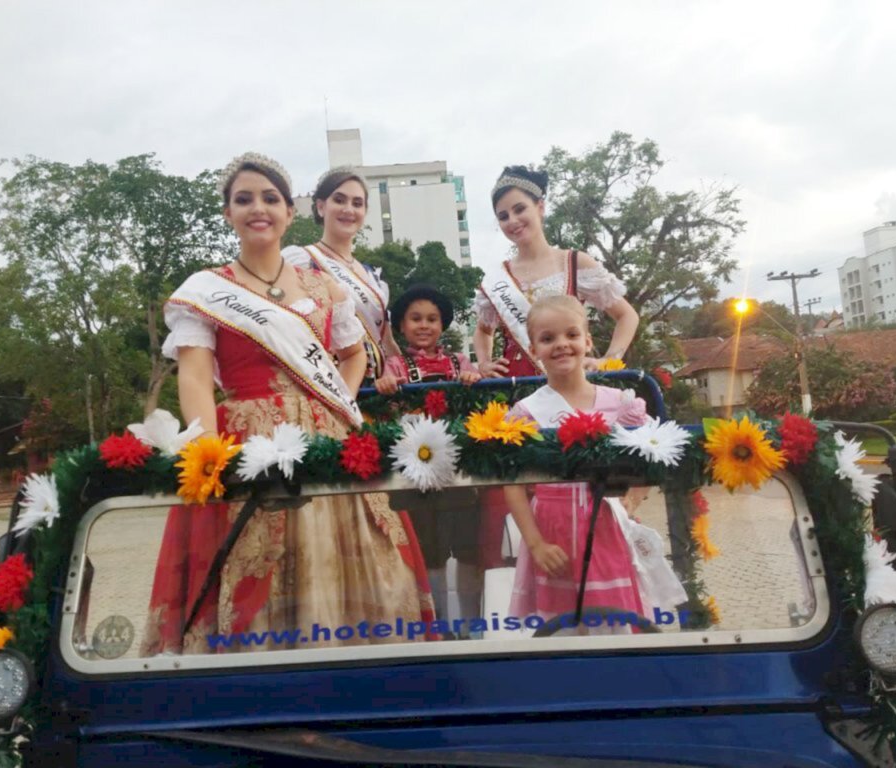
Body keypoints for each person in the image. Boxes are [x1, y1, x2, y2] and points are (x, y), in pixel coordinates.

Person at [141, 153, 433, 656]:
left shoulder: (324, 287)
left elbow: (352, 353)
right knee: (255, 559)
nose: (259, 208)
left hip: (328, 437)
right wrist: (206, 446)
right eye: (244, 199)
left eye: (270, 198)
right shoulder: (208, 290)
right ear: (228, 212)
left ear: (289, 211)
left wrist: (338, 398)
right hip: (249, 438)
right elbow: (193, 374)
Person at [473, 165, 641, 569]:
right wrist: (482, 362)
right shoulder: (499, 278)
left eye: (519, 209)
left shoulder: (573, 262)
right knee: (517, 494)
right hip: (520, 395)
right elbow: (483, 330)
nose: (512, 221)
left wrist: (607, 360)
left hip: (575, 390)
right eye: (503, 216)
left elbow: (626, 315)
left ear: (541, 207)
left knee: (583, 488)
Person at [504, 296, 647, 634]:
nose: (561, 345)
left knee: (612, 626)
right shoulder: (525, 413)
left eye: (571, 334)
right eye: (548, 338)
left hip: (606, 529)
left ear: (587, 340)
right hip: (551, 531)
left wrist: (634, 497)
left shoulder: (621, 404)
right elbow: (509, 481)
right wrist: (535, 542)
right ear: (533, 348)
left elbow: (649, 456)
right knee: (559, 630)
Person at [376, 285, 483, 637]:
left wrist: (471, 378)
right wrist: (387, 386)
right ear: (402, 326)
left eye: (432, 319)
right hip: (415, 473)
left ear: (443, 325)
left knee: (468, 545)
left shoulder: (458, 362)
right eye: (416, 319)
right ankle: (439, 625)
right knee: (429, 548)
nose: (424, 325)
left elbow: (477, 396)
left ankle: (471, 626)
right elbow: (388, 406)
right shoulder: (395, 363)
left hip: (459, 468)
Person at [283, 167, 398, 383]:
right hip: (331, 383)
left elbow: (387, 341)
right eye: (339, 200)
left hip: (380, 389)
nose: (348, 209)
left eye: (357, 203)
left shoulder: (372, 276)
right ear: (320, 206)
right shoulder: (301, 260)